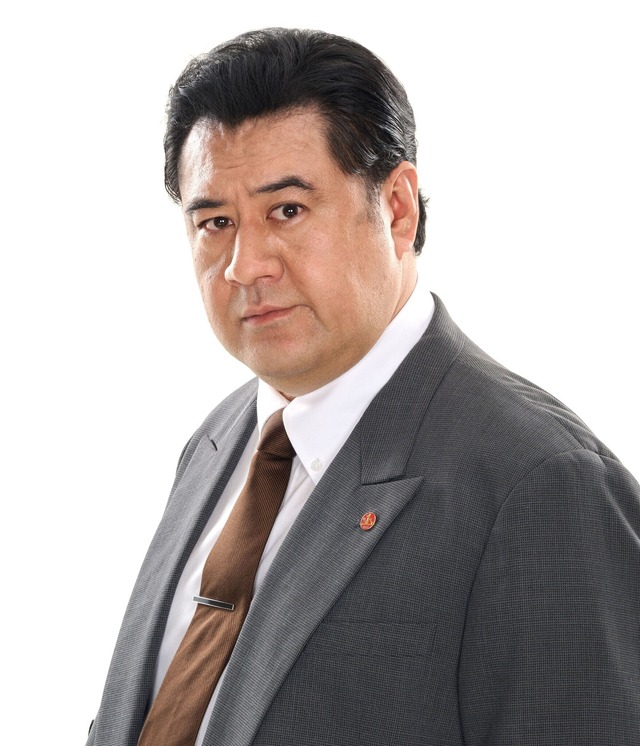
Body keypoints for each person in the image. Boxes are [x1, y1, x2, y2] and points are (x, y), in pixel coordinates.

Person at [86, 27, 640, 746]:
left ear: (398, 208)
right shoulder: (221, 439)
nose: (245, 265)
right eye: (216, 222)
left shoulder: (542, 484)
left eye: (287, 210)